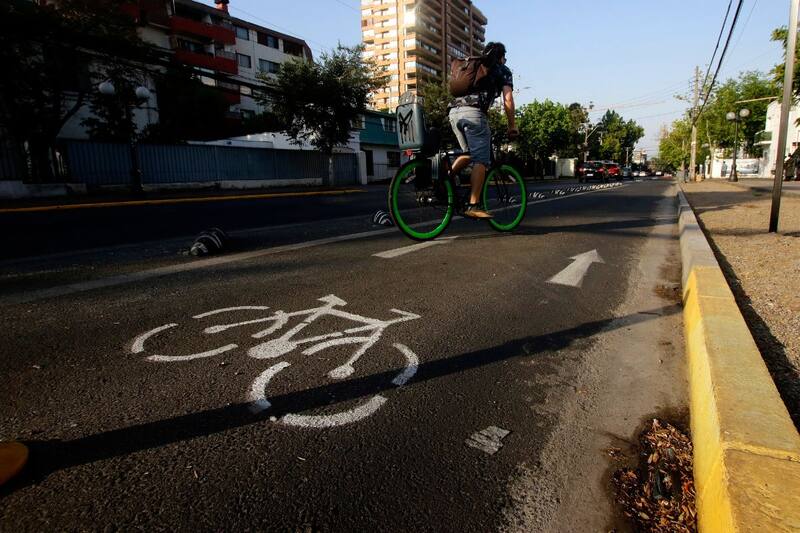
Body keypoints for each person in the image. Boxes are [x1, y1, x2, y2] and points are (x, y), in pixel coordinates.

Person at [448, 42, 518, 219]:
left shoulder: (475, 64)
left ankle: (445, 179)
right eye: (505, 57)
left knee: (468, 153)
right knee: (481, 160)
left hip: (454, 113)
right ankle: (474, 205)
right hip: (474, 114)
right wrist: (512, 126)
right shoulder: (503, 70)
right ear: (501, 57)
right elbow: (508, 99)